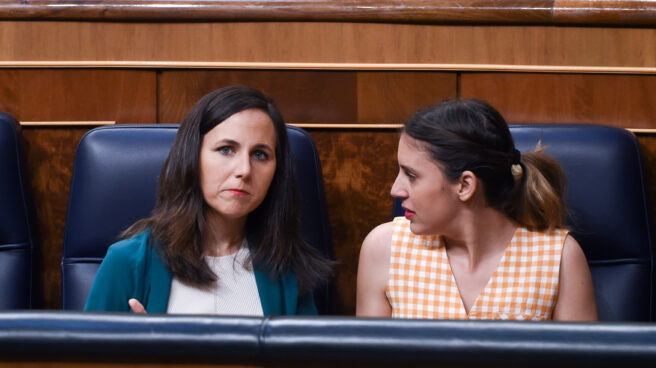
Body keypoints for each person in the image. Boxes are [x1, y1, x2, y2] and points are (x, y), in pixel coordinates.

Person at [85, 85, 332, 315]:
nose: (244, 170)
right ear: (192, 157)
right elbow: (83, 361)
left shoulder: (286, 269)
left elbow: (307, 361)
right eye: (226, 149)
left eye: (260, 154)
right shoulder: (128, 261)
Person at [356, 98, 597, 321]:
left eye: (411, 175)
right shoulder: (383, 248)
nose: (395, 190)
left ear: (464, 185)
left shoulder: (560, 257)